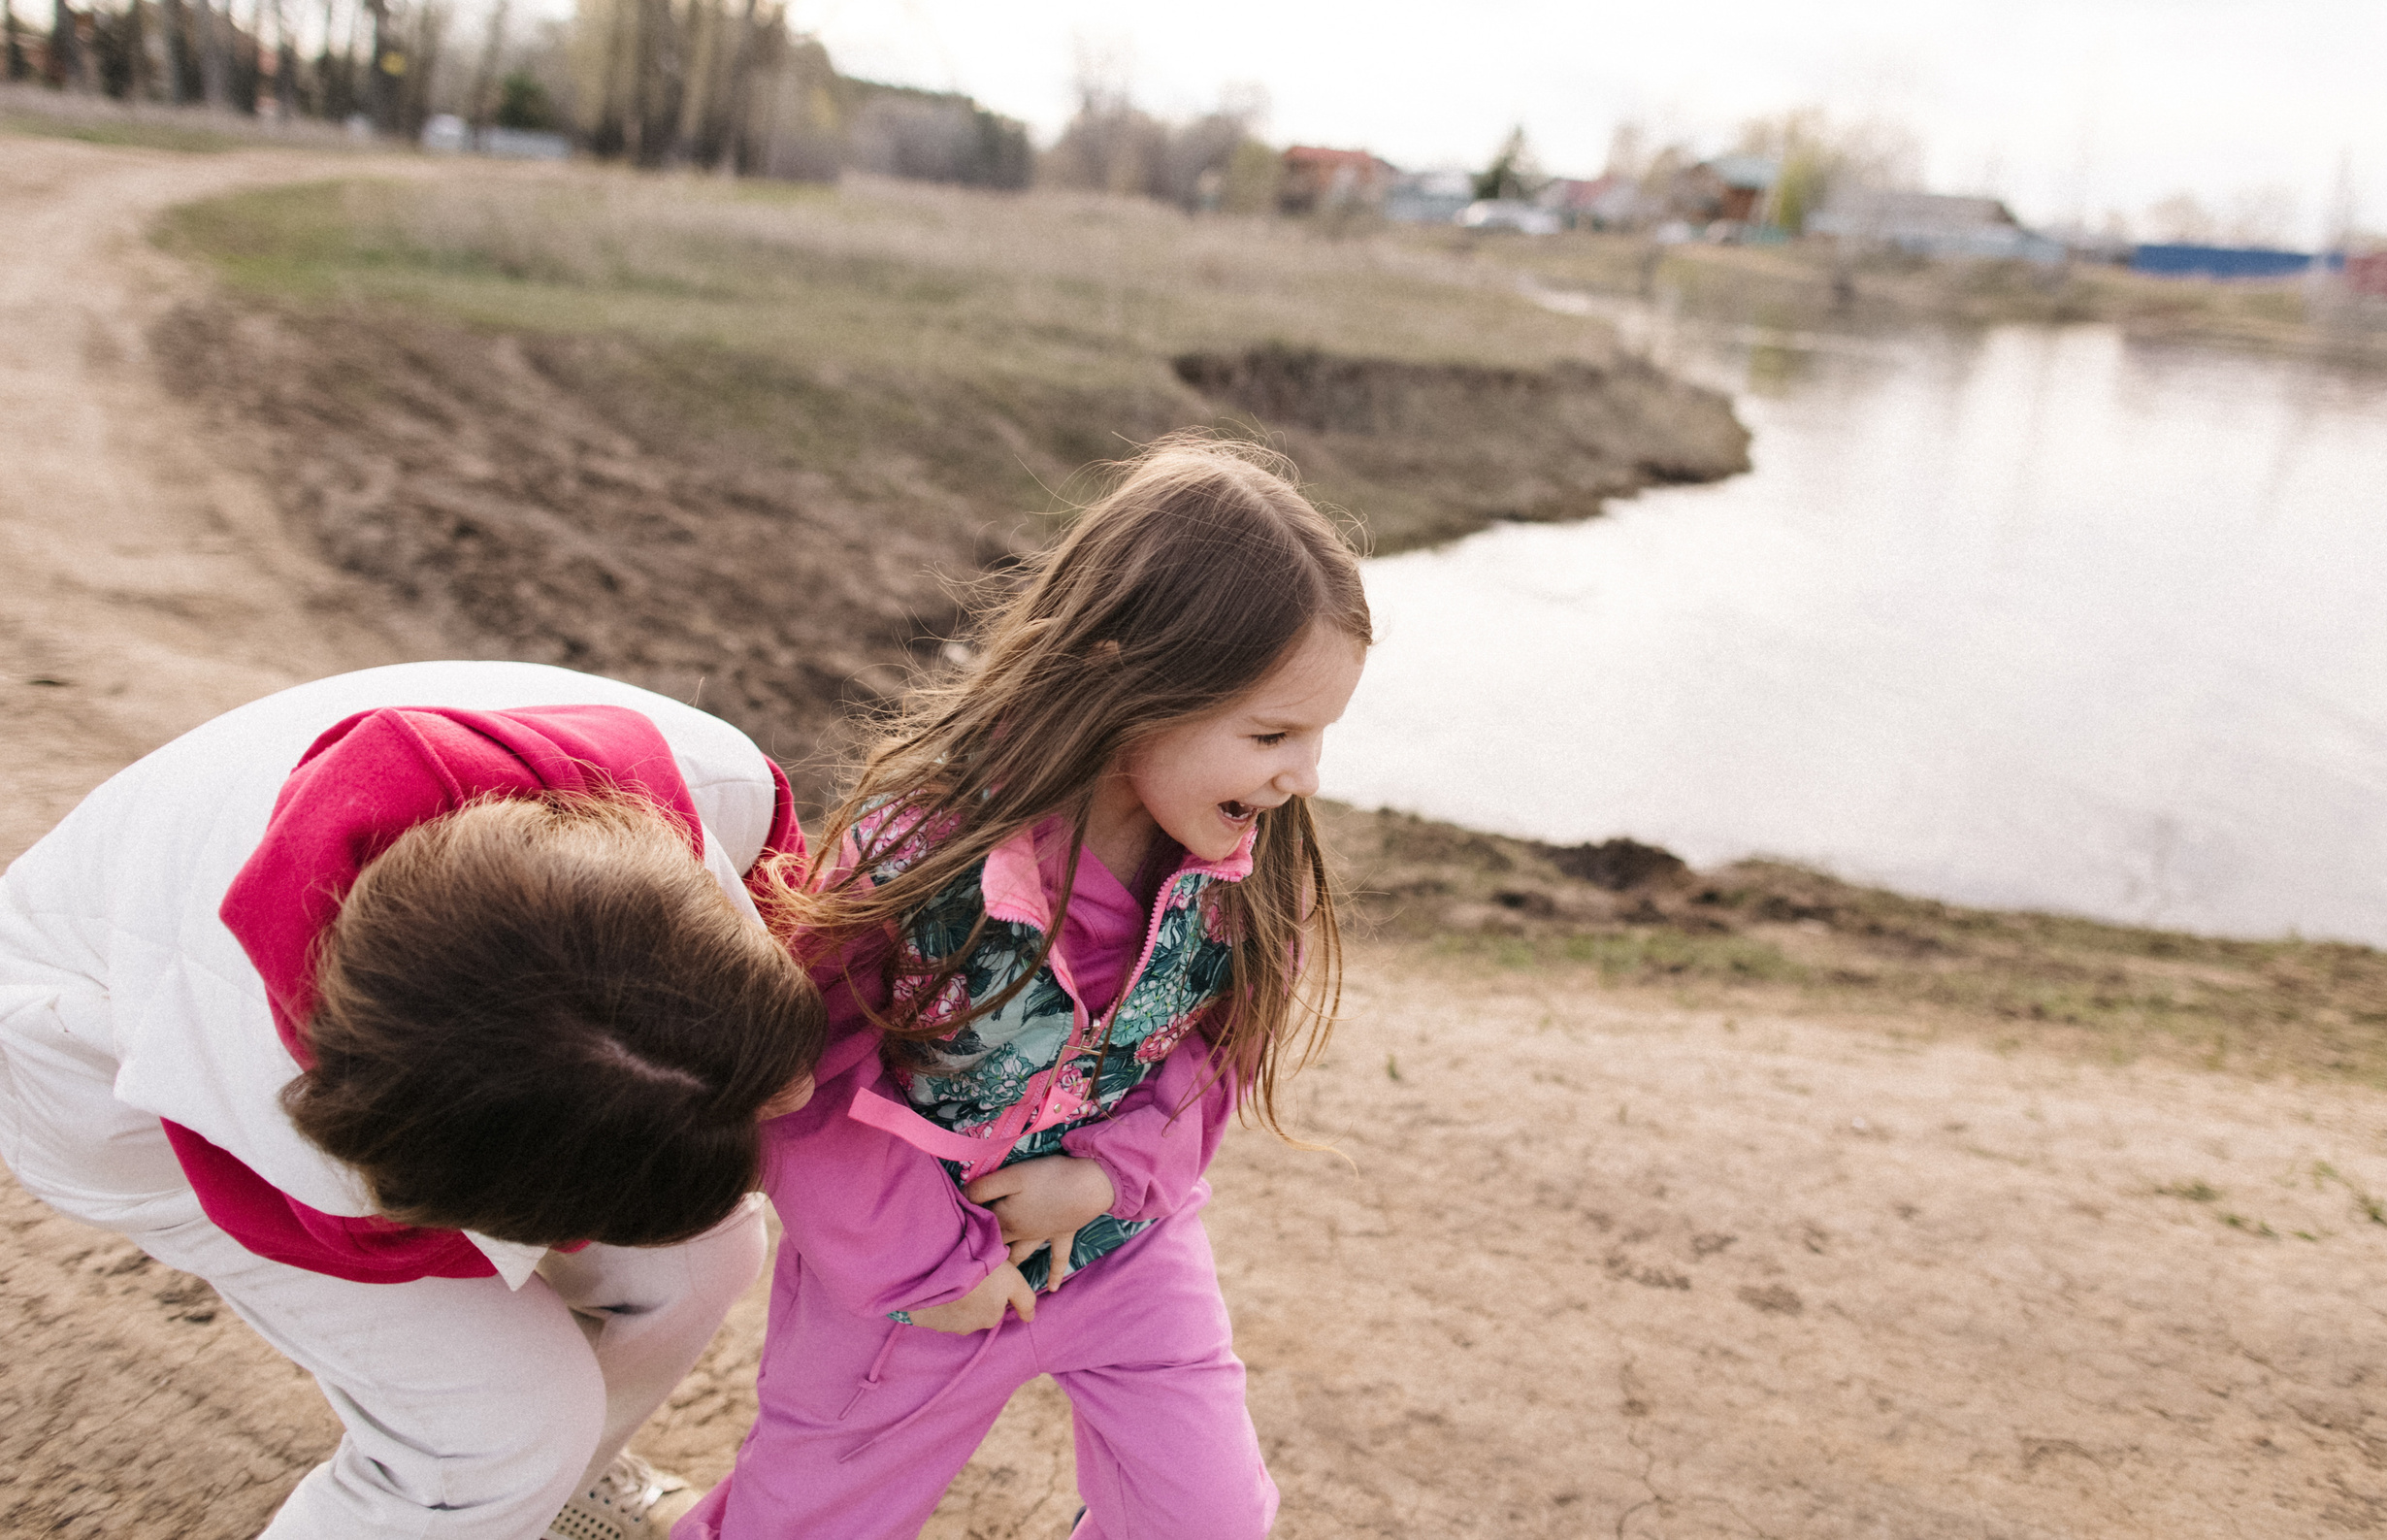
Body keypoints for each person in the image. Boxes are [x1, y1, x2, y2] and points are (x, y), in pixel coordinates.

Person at [679, 437, 1371, 1540]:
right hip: (912, 1288)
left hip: (1123, 1254)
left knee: (1205, 1520)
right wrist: (929, 1265)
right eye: (1271, 734)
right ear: (1127, 679)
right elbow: (801, 1080)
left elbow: (1208, 1059)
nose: (1304, 776)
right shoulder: (922, 859)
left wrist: (1103, 1178)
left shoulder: (1244, 870)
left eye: (1320, 736)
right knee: (806, 1525)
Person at [0, 660, 830, 1540]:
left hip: (355, 1044)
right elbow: (389, 1217)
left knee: (703, 1253)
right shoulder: (292, 1108)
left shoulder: (706, 781)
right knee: (502, 1431)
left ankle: (551, 1497)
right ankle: (484, 1492)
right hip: (120, 1096)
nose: (800, 1094)